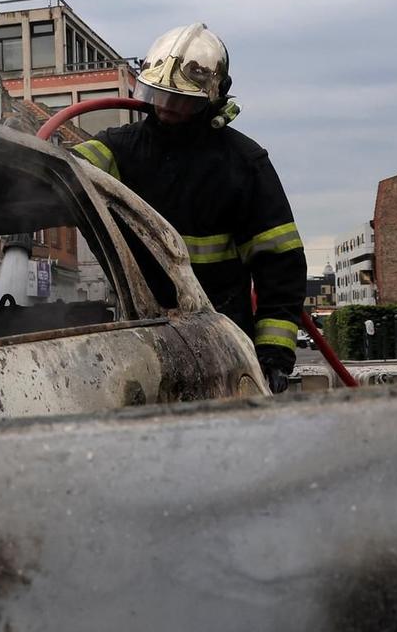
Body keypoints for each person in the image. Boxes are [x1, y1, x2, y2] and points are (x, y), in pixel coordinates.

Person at [72, 22, 306, 393]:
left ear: (213, 98)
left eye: (180, 100)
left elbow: (280, 265)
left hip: (222, 343)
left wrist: (274, 354)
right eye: (160, 95)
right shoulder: (119, 149)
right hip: (139, 337)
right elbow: (63, 170)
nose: (166, 108)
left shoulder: (243, 164)